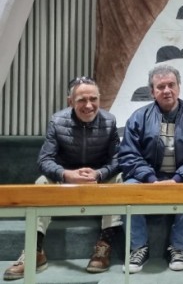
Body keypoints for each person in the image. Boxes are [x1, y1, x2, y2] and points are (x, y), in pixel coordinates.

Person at [3, 77, 122, 281]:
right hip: (65, 180)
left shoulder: (110, 121)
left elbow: (117, 159)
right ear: (70, 102)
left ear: (100, 99)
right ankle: (35, 251)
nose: (88, 105)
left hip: (97, 180)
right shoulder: (57, 121)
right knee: (41, 183)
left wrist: (99, 173)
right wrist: (67, 174)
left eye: (93, 99)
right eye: (81, 100)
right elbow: (44, 160)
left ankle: (103, 247)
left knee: (120, 178)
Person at [118, 64, 183, 274]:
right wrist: (151, 179)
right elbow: (128, 156)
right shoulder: (138, 118)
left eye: (171, 85)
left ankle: (178, 247)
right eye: (160, 86)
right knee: (126, 189)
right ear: (152, 92)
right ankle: (138, 248)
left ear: (179, 87)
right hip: (148, 177)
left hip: (182, 178)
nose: (166, 90)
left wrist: (178, 178)